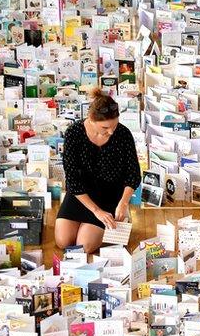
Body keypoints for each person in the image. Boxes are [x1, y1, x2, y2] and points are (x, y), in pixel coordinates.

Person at [56, 88, 141, 253]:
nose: (111, 132)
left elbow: (133, 174)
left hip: (109, 196)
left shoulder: (123, 134)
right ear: (91, 119)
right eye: (105, 127)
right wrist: (96, 211)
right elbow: (73, 179)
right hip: (81, 194)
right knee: (63, 241)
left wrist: (123, 203)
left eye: (114, 126)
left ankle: (97, 229)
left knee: (83, 247)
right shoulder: (74, 133)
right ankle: (91, 225)